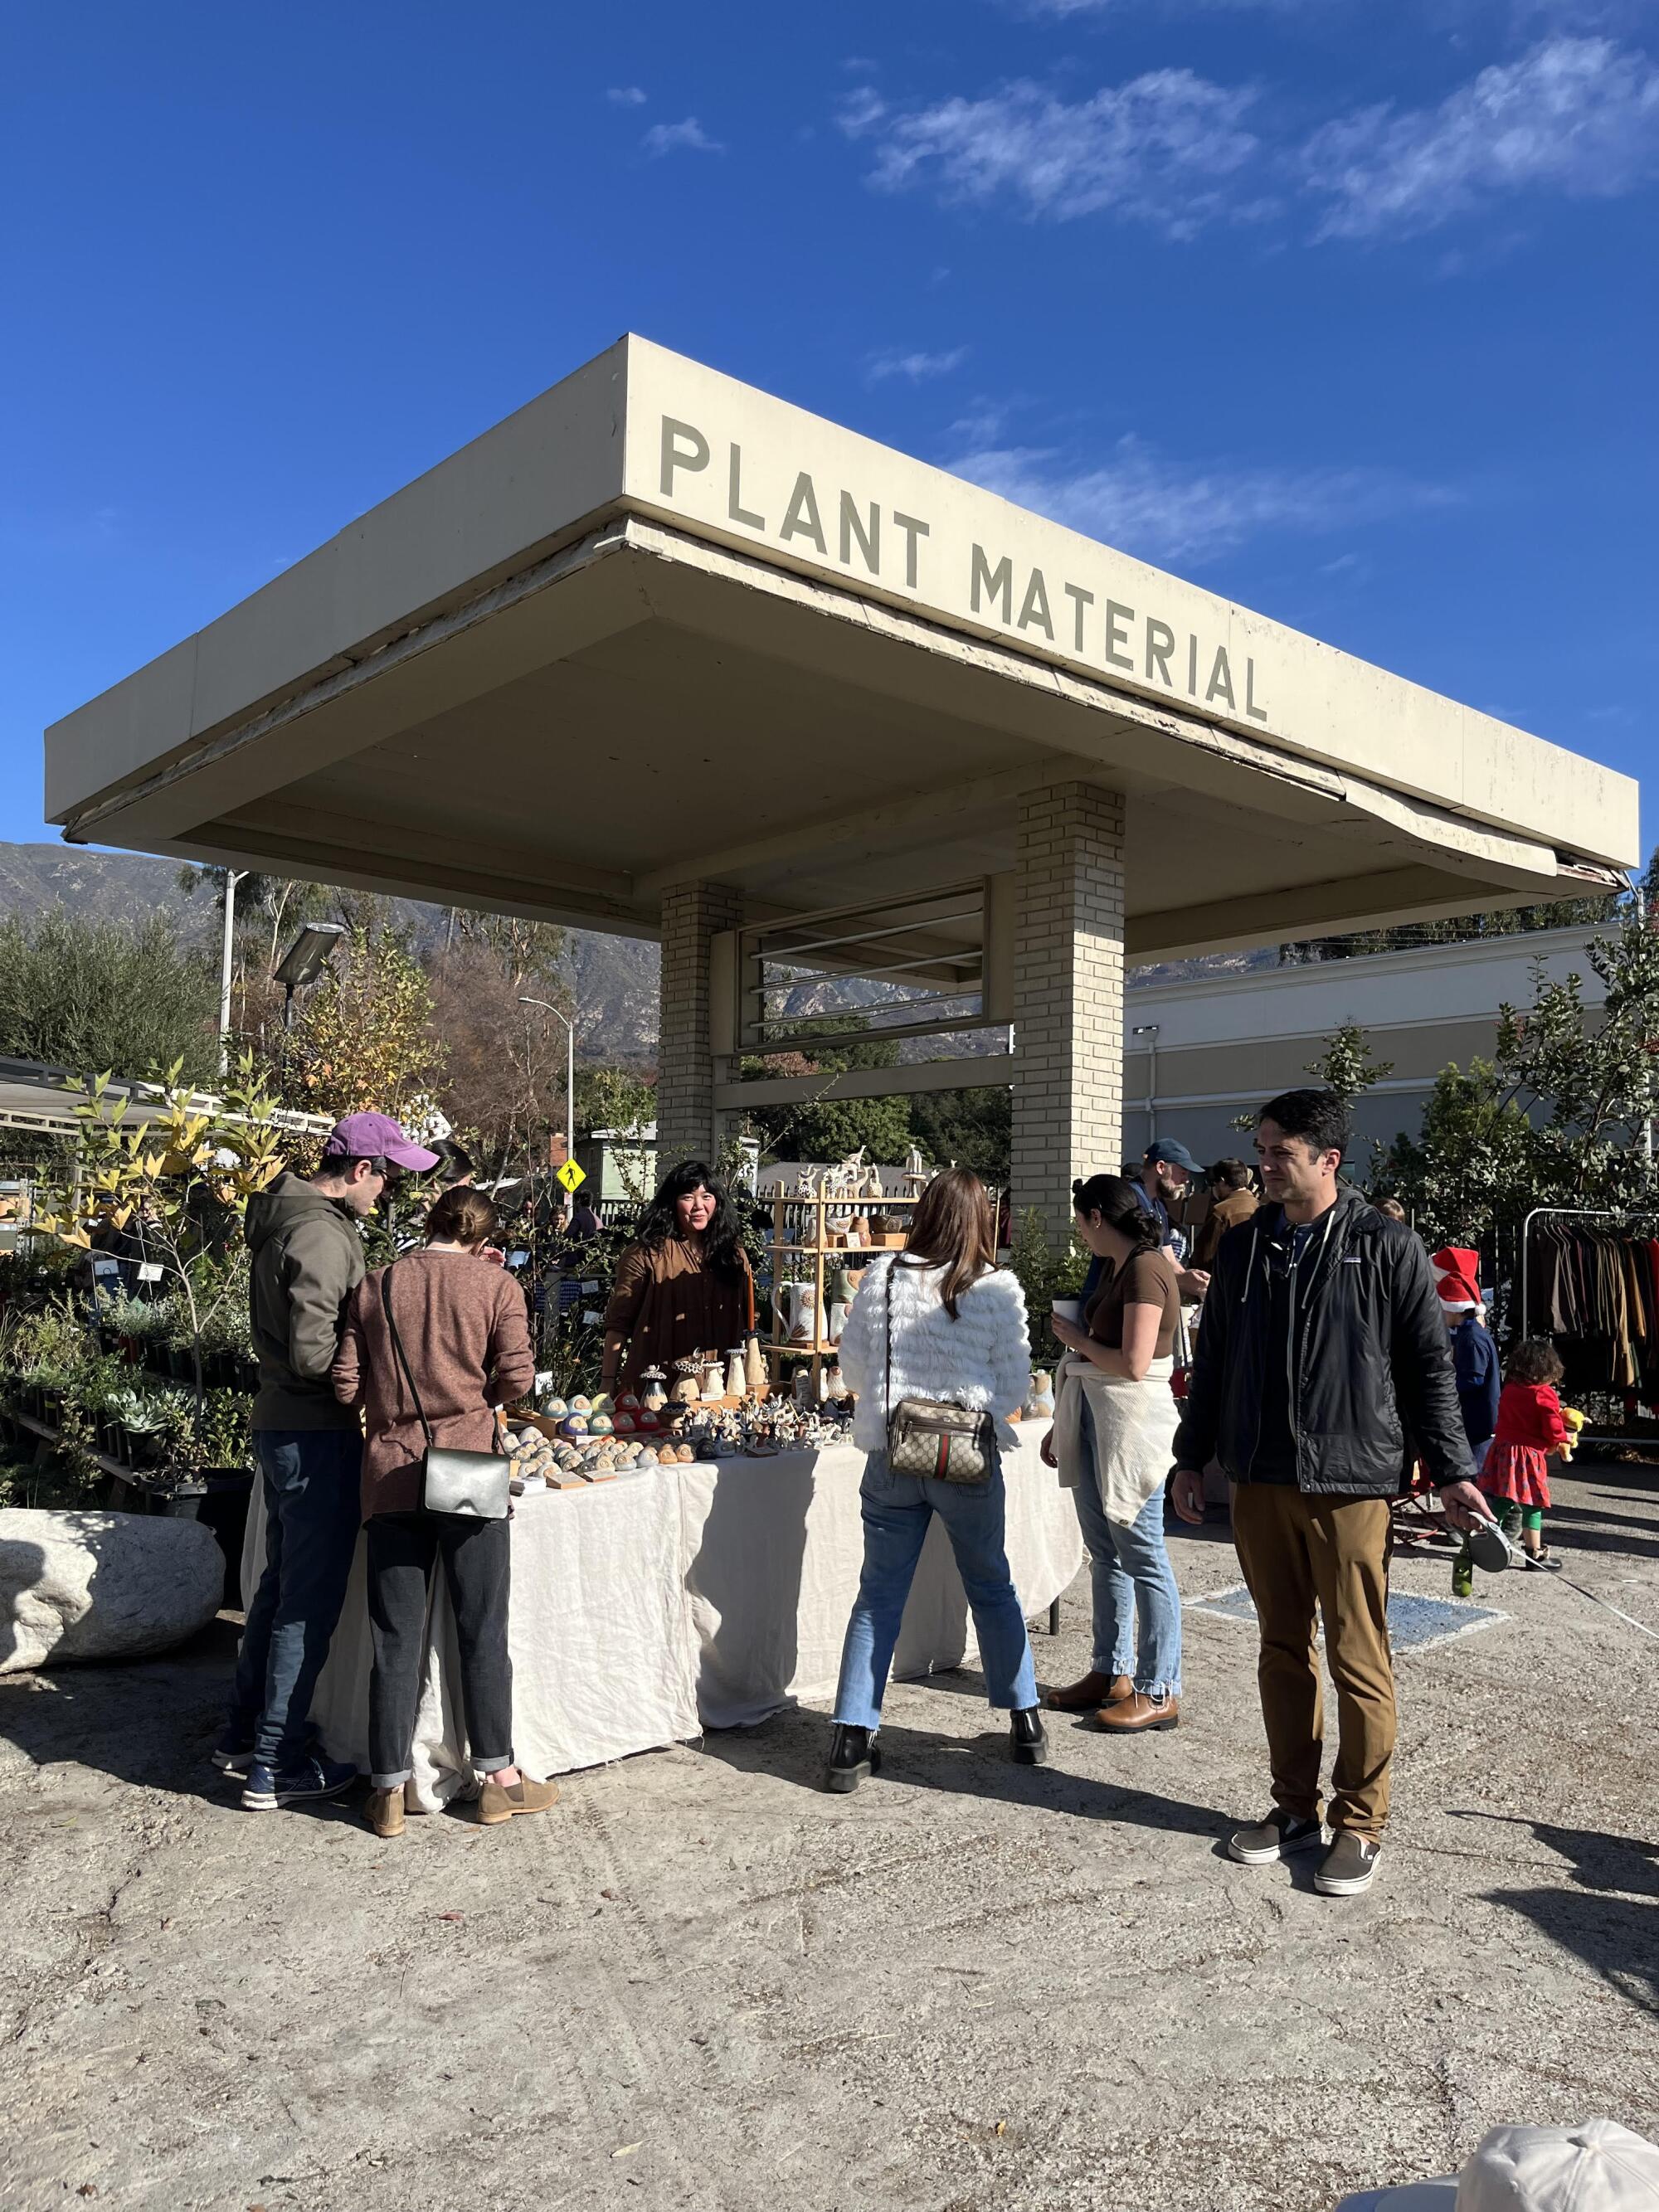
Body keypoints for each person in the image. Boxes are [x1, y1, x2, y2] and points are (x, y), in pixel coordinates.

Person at [1170, 1087, 1493, 1898]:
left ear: (1327, 1160)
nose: (1264, 1163)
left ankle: (1359, 1821)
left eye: (1279, 1151)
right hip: (1257, 1478)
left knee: (1357, 1657)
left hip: (1349, 1482)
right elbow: (1211, 1365)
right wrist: (1190, 1455)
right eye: (1262, 1148)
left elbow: (1427, 1370)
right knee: (1280, 1651)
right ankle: (1291, 1812)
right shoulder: (1243, 1249)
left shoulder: (1385, 1246)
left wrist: (1453, 1472)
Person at [218, 1111, 439, 1811]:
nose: (390, 1193)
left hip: (285, 1427)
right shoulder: (319, 1233)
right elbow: (317, 1353)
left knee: (282, 1586)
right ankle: (277, 1762)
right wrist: (381, 1378)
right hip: (314, 1433)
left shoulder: (294, 1219)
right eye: (390, 1177)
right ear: (361, 1171)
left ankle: (246, 1731)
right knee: (305, 1601)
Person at [332, 1186, 552, 1836]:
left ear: (428, 1222)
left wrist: (392, 1406)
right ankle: (498, 1781)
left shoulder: (375, 1284)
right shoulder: (496, 1285)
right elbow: (517, 1376)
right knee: (482, 1629)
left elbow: (346, 1382)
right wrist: (468, 1398)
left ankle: (389, 1791)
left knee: (394, 1639)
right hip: (470, 1470)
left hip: (391, 1472)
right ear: (483, 1238)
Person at [824, 1168, 1044, 1790]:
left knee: (877, 1595)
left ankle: (849, 1737)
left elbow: (857, 1370)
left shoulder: (884, 1276)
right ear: (980, 1218)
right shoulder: (998, 1287)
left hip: (894, 1451)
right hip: (966, 1457)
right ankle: (1024, 1718)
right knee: (992, 1585)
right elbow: (1010, 1388)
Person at [1041, 1175, 1184, 1733]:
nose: (1079, 1231)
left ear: (1097, 1216)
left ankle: (1159, 1686)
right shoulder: (1119, 1267)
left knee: (1142, 1552)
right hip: (1102, 1417)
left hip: (1131, 1423)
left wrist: (1076, 1341)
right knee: (1106, 1551)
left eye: (1080, 1220)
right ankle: (1111, 1670)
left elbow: (1133, 1362)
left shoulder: (1146, 1267)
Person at [600, 1159, 754, 1395]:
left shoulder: (733, 1255)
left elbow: (749, 1320)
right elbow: (618, 1323)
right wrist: (608, 1381)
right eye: (688, 1197)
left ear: (718, 1203)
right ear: (672, 1202)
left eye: (707, 1196)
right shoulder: (647, 1253)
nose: (698, 1206)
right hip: (657, 1384)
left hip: (722, 1383)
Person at [1472, 1339, 1571, 1573]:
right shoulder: (1544, 1394)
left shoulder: (1511, 1390)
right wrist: (1562, 1439)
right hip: (1527, 1456)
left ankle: (1483, 1540)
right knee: (1532, 1504)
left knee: (1503, 1498)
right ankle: (1534, 1553)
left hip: (1504, 1451)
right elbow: (1552, 1426)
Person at [1191, 1159, 1258, 1272]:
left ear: (1222, 1181)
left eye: (1214, 1184)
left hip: (1227, 1281)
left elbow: (1204, 1257)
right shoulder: (1260, 1208)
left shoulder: (1221, 1211)